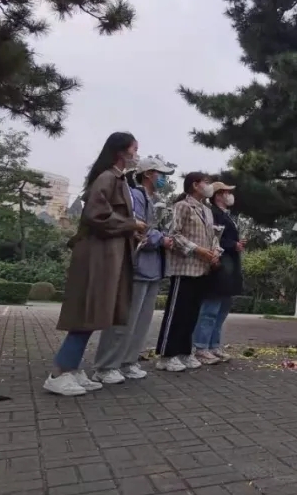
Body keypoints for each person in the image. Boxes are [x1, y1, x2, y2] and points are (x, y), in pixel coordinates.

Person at [45, 132, 146, 397]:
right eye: (134, 149)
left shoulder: (118, 179)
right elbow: (96, 215)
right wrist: (131, 224)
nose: (137, 154)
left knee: (94, 313)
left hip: (108, 255)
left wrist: (131, 230)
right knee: (87, 313)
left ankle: (72, 368)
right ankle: (59, 373)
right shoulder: (107, 177)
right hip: (97, 256)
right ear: (121, 151)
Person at [91, 156, 176, 384]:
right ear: (147, 174)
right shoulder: (135, 196)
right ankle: (106, 365)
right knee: (124, 320)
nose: (163, 179)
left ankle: (128, 362)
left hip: (153, 269)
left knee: (141, 322)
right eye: (160, 174)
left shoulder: (154, 201)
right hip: (137, 267)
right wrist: (160, 239)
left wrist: (163, 237)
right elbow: (137, 229)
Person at [154, 172, 220, 371]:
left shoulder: (207, 210)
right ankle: (167, 355)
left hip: (202, 269)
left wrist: (215, 252)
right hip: (184, 268)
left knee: (192, 314)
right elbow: (174, 234)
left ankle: (184, 352)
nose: (209, 186)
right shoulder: (182, 205)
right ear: (195, 185)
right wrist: (197, 250)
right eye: (206, 182)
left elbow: (213, 236)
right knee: (177, 313)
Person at [192, 181, 243, 365]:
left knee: (222, 309)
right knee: (210, 310)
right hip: (218, 266)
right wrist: (232, 244)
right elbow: (212, 238)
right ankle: (201, 347)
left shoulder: (225, 215)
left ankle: (213, 345)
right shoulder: (212, 213)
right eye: (227, 192)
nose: (230, 195)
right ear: (218, 195)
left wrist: (236, 244)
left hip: (229, 267)